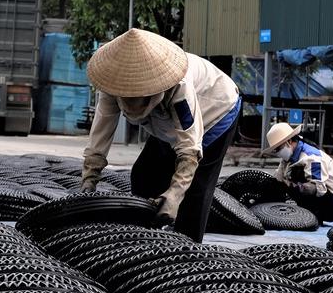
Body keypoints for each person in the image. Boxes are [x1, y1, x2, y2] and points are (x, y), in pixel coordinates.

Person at [81, 28, 241, 242]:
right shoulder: (112, 84)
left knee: (195, 190)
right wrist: (89, 179)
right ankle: (144, 237)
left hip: (215, 111)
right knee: (143, 175)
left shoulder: (179, 86)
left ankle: (188, 248)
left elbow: (190, 148)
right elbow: (100, 133)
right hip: (164, 123)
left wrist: (174, 195)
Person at [262, 121, 333, 222]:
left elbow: (319, 189)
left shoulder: (312, 157)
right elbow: (278, 179)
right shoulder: (288, 158)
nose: (277, 153)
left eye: (278, 148)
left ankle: (312, 216)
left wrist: (291, 185)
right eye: (275, 150)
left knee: (297, 174)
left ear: (289, 141)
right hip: (320, 200)